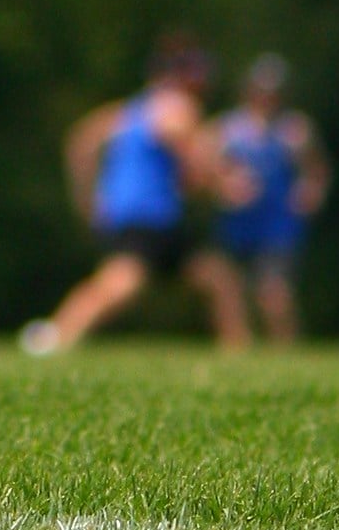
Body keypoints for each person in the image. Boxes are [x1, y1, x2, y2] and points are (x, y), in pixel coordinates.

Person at [19, 33, 215, 353]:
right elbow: (193, 166)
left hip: (138, 213)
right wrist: (222, 184)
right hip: (148, 214)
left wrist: (87, 197)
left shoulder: (128, 111)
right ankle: (55, 336)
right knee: (122, 284)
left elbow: (82, 140)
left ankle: (241, 353)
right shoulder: (178, 107)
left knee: (217, 279)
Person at [200, 56, 330, 347]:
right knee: (229, 290)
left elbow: (316, 171)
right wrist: (226, 184)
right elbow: (202, 166)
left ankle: (285, 349)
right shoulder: (227, 129)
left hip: (277, 224)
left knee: (274, 291)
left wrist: (310, 193)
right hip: (236, 224)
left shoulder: (295, 130)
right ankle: (236, 348)